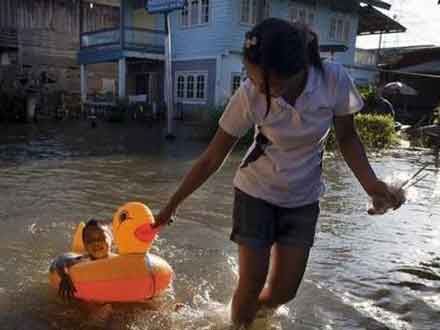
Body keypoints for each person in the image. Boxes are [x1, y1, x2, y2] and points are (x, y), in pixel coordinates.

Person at [153, 18, 403, 328]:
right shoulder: (249, 94)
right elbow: (213, 156)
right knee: (252, 280)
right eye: (252, 78)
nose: (257, 87)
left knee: (284, 291)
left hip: (303, 198)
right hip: (254, 193)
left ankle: (250, 315)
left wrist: (372, 185)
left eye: (266, 83)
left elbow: (348, 138)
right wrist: (172, 204)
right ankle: (240, 322)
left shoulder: (333, 81)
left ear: (297, 70)